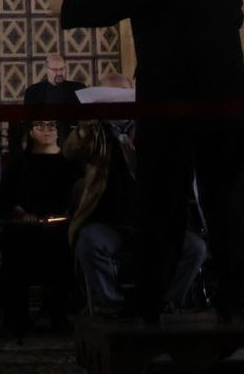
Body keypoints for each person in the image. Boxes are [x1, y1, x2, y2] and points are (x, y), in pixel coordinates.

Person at [47, 0, 244, 322]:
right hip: (226, 95)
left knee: (164, 201)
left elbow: (117, 5)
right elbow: (234, 17)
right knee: (225, 201)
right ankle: (235, 301)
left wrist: (67, 7)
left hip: (169, 99)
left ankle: (150, 302)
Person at [66, 118, 206, 316]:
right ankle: (112, 304)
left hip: (150, 222)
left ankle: (167, 303)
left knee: (195, 248)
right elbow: (71, 152)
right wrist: (87, 126)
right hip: (109, 222)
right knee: (89, 242)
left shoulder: (152, 128)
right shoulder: (98, 131)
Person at [0, 120, 81, 334]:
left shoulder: (70, 163)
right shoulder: (19, 163)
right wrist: (21, 212)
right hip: (25, 226)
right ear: (31, 131)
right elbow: (4, 198)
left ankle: (59, 315)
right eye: (40, 126)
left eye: (52, 126)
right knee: (15, 247)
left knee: (65, 247)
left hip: (61, 227)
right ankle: (16, 319)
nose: (46, 131)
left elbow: (79, 196)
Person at [12, 53, 86, 155]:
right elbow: (28, 121)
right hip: (43, 141)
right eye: (55, 70)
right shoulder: (33, 91)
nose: (59, 73)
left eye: (62, 69)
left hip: (72, 141)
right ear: (46, 70)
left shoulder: (78, 89)